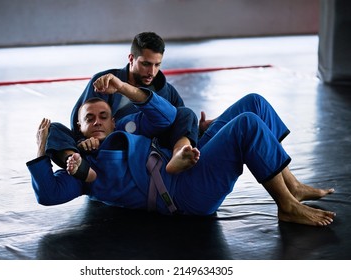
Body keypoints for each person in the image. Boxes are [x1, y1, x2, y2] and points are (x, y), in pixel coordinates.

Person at [27, 75, 336, 227]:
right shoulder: (83, 170)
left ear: (112, 120)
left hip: (185, 159)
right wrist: (43, 149)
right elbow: (49, 194)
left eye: (103, 116)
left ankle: (291, 184)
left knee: (254, 103)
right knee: (247, 126)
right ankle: (286, 206)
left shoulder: (127, 127)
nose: (97, 122)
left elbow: (167, 116)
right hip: (181, 193)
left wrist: (122, 88)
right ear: (78, 128)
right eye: (89, 119)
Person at [45, 32, 199, 174]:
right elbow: (81, 119)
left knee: (187, 114)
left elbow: (182, 122)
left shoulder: (166, 91)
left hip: (146, 154)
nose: (152, 72)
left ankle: (178, 154)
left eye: (157, 65)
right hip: (107, 151)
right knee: (52, 129)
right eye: (146, 64)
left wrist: (198, 129)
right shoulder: (105, 81)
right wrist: (85, 142)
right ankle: (79, 167)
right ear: (131, 58)